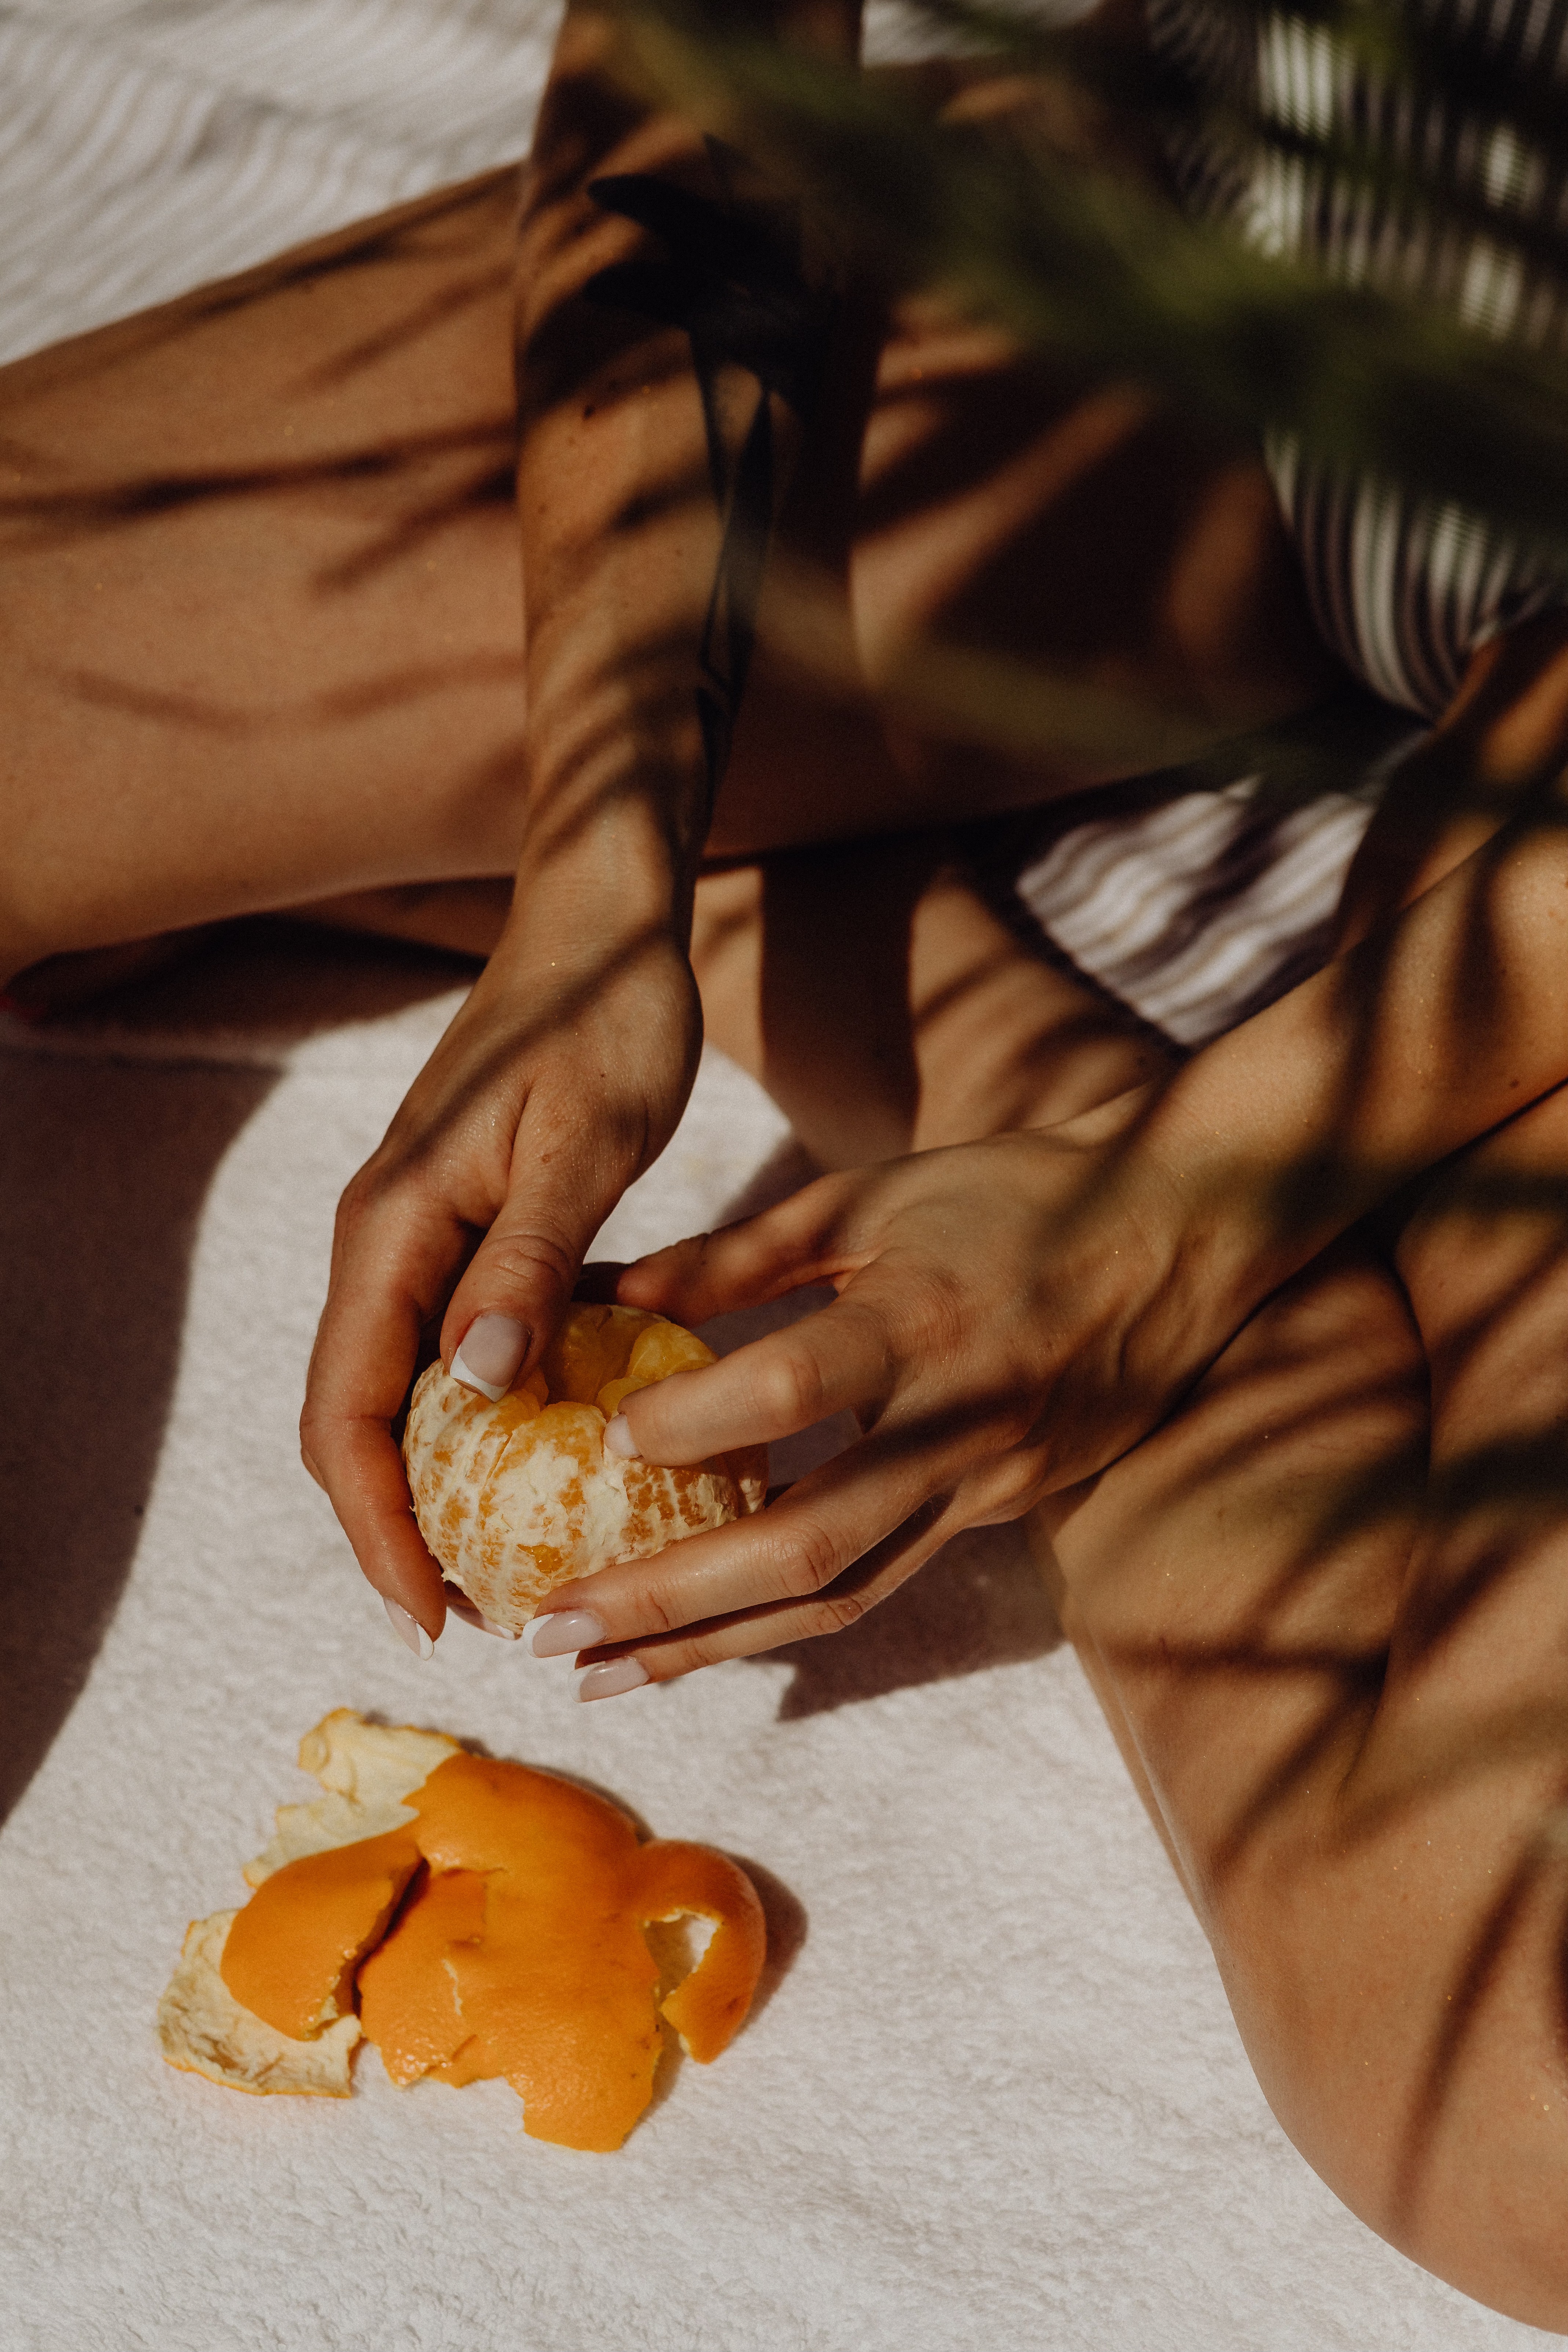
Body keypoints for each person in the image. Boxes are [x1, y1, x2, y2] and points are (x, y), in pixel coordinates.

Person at [5, 0, 1568, 2324]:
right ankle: (786, 923)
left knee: (1515, 2126)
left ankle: (978, 1057)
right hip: (1324, 215)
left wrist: (1173, 1214)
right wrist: (598, 842)